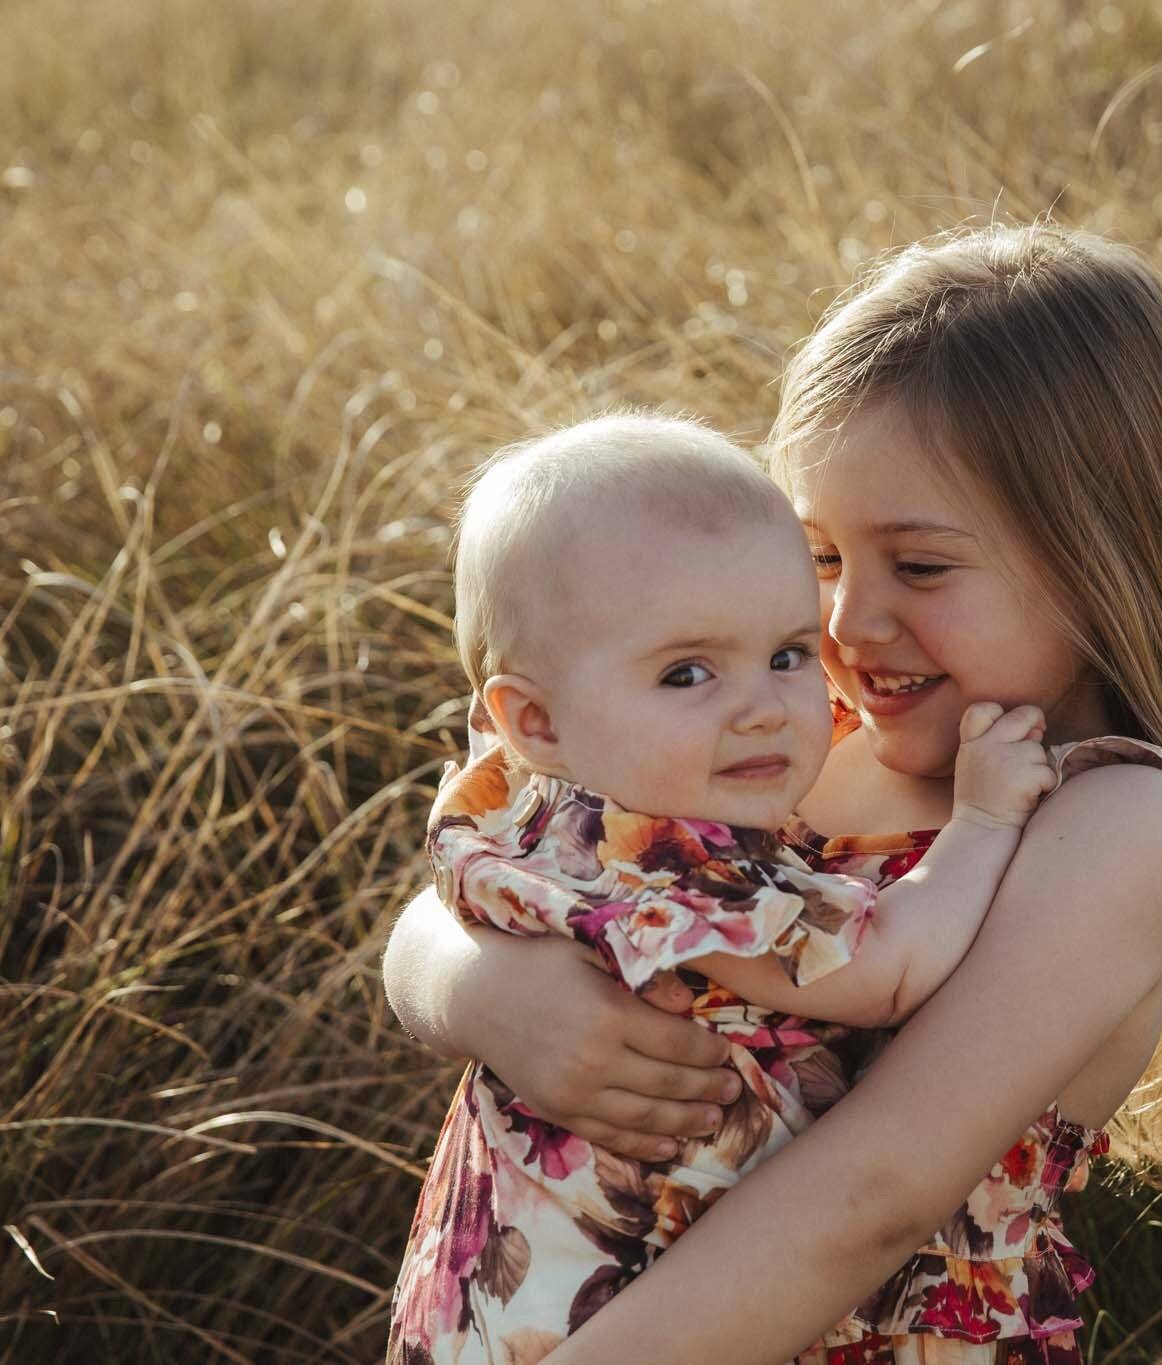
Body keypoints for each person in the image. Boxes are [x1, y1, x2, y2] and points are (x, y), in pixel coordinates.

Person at [383, 222, 1162, 1364]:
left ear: (1101, 557)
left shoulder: (1110, 823)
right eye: (823, 557)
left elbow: (876, 1196)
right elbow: (480, 875)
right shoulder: (785, 722)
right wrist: (478, 995)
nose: (846, 627)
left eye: (920, 565)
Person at [386, 413, 1059, 1364]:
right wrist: (985, 822)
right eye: (687, 672)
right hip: (603, 1318)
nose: (761, 706)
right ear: (533, 718)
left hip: (519, 1290)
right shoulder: (655, 847)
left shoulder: (521, 798)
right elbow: (880, 970)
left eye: (786, 653)